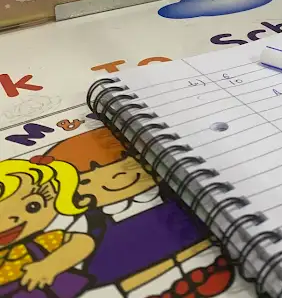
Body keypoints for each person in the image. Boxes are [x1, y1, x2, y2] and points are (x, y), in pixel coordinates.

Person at [47, 127, 233, 298]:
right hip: (129, 262)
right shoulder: (93, 221)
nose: (117, 175)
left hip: (191, 245)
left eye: (125, 162)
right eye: (86, 181)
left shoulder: (169, 190)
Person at [0, 157, 94, 297]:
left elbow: (82, 241)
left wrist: (48, 266)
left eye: (33, 206)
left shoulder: (42, 242)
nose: (13, 217)